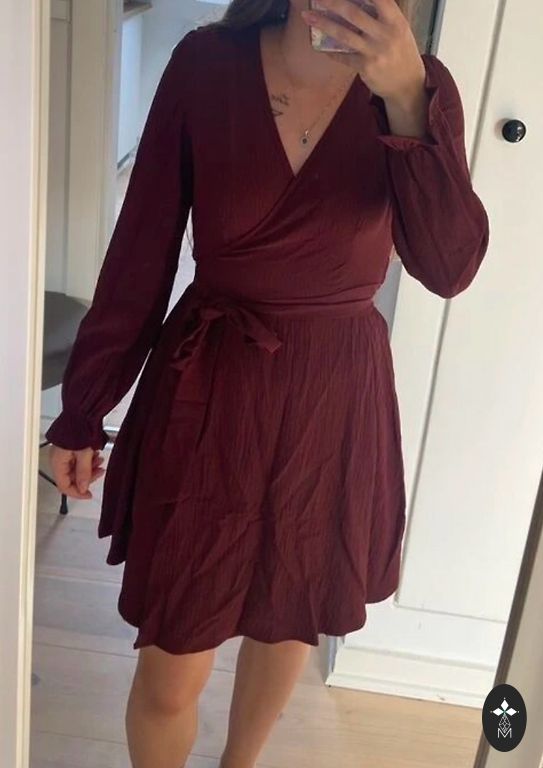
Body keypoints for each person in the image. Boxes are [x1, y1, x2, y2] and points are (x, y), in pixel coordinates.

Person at [45, 0, 490, 766]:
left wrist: (405, 100)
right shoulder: (205, 64)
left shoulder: (420, 88)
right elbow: (141, 250)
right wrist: (84, 407)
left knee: (288, 613)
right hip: (211, 392)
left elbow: (448, 267)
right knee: (171, 661)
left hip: (332, 399)